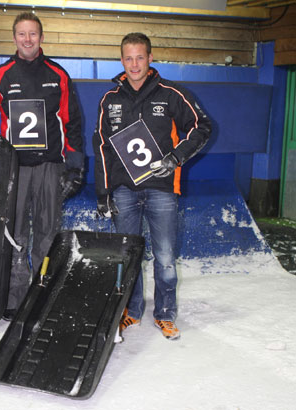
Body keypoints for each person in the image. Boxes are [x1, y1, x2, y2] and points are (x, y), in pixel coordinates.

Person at [92, 32, 211, 340]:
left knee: (165, 256)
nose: (134, 64)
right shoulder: (110, 100)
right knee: (127, 256)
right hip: (123, 191)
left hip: (161, 189)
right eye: (128, 58)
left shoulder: (171, 94)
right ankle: (131, 312)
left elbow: (203, 126)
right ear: (121, 60)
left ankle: (166, 314)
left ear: (150, 58)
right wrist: (103, 193)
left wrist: (177, 156)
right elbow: (102, 148)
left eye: (140, 57)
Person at [0, 12, 85, 320]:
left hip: (50, 167)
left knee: (47, 234)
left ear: (42, 37)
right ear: (14, 37)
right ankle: (14, 299)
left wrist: (75, 167)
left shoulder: (58, 74)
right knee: (14, 234)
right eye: (22, 34)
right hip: (14, 168)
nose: (28, 39)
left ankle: (43, 296)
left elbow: (73, 123)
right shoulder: (1, 74)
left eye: (33, 34)